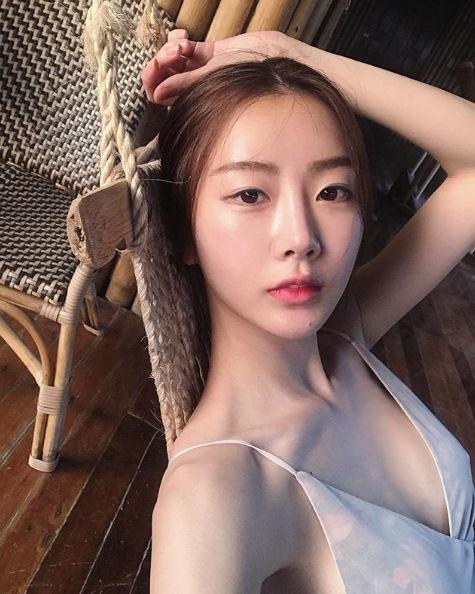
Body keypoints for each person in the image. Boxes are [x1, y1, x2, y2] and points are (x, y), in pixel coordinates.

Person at [141, 29, 475, 593]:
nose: (302, 237)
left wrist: (291, 54)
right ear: (183, 231)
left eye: (332, 191)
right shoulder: (216, 493)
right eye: (250, 194)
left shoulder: (344, 337)